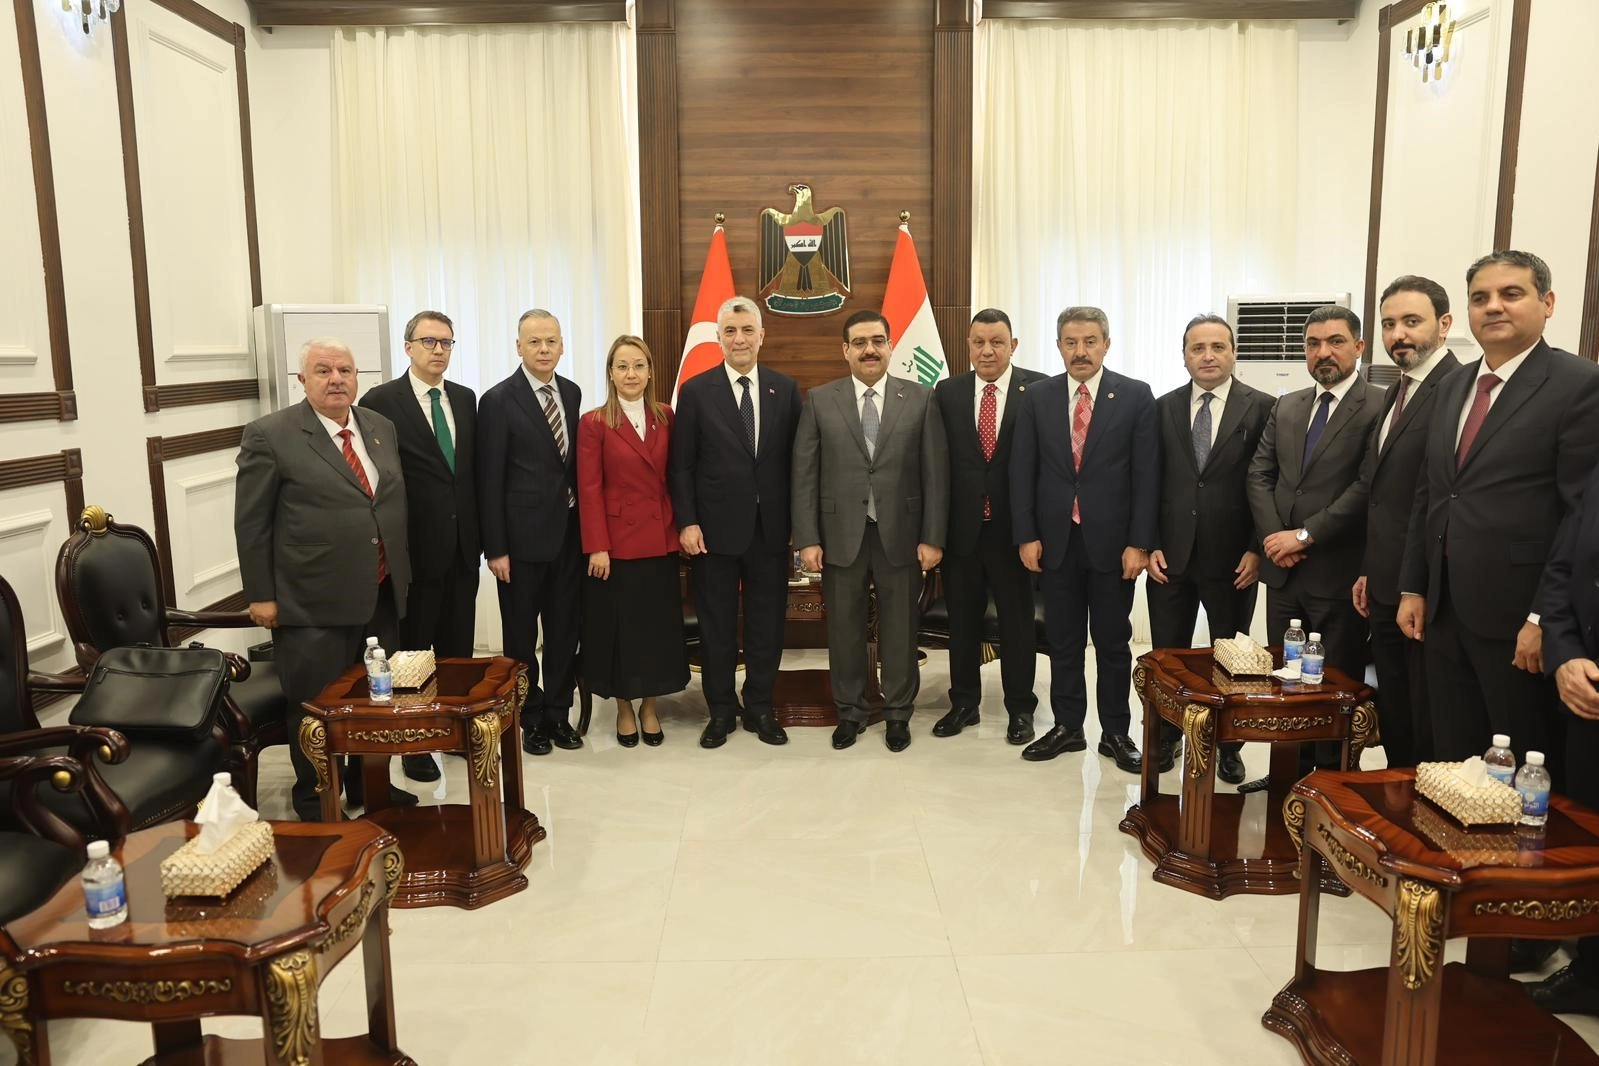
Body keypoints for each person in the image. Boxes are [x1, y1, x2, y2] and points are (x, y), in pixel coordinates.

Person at [1398, 250, 1599, 767]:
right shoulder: (1452, 385)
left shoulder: (1579, 384)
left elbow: (1580, 517)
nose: (1493, 307)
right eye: (1480, 298)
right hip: (1443, 612)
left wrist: (1543, 619)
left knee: (1519, 766)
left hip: (1518, 619)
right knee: (1452, 760)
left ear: (1547, 303)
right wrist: (1414, 585)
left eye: (1511, 294)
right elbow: (1431, 492)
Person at [234, 338, 417, 821]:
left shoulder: (379, 426)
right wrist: (261, 595)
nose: (336, 379)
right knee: (315, 706)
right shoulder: (270, 435)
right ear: (302, 380)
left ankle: (369, 786)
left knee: (376, 699)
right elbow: (252, 523)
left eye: (345, 370)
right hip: (311, 598)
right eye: (323, 370)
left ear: (358, 378)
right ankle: (316, 798)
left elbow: (383, 502)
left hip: (379, 591)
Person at [791, 309, 949, 752]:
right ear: (845, 350)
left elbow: (936, 474)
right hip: (840, 535)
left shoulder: (920, 398)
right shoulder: (820, 400)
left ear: (890, 346)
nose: (869, 349)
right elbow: (804, 475)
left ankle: (897, 713)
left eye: (878, 341)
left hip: (902, 534)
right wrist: (807, 538)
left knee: (900, 628)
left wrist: (933, 536)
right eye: (859, 342)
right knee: (844, 628)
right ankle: (850, 712)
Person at [1012, 306, 1158, 774]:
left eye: (1090, 341)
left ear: (1106, 345)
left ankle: (1115, 732)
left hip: (1114, 545)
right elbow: (1023, 470)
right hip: (1056, 541)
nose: (1081, 351)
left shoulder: (1135, 396)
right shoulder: (1038, 397)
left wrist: (1140, 543)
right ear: (1058, 346)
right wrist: (1026, 534)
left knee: (1113, 643)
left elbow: (1147, 476)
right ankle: (1068, 726)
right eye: (1071, 342)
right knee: (1064, 641)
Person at [1243, 305, 1380, 791]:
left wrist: (1303, 535)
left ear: (1359, 347)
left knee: (1332, 686)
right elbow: (1259, 474)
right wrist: (1275, 539)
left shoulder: (1379, 405)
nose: (1324, 352)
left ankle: (1331, 782)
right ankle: (1287, 773)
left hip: (1337, 572)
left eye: (1335, 341)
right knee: (1286, 678)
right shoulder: (1288, 405)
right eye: (1313, 343)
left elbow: (1366, 486)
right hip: (1283, 574)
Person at [1145, 313, 1274, 782]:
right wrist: (1149, 544)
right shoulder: (1162, 408)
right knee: (1169, 658)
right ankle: (1167, 737)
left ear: (1234, 353)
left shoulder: (1263, 407)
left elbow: (1269, 483)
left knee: (1232, 661)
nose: (1208, 356)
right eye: (1197, 348)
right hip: (1170, 559)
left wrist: (1257, 549)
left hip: (1233, 561)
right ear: (1184, 356)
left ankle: (1229, 745)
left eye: (1218, 346)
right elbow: (1148, 481)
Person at [669, 297, 802, 748]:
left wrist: (799, 527)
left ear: (762, 335)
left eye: (747, 330)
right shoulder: (696, 391)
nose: (739, 339)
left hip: (771, 532)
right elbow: (681, 466)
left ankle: (761, 707)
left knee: (767, 626)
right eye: (730, 331)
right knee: (717, 627)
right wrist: (687, 522)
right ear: (718, 338)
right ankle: (721, 710)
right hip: (713, 533)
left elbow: (798, 464)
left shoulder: (785, 389)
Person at [359, 310, 481, 783]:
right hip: (413, 551)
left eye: (447, 342)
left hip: (463, 547)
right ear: (408, 347)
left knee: (458, 649)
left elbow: (467, 475)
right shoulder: (380, 402)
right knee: (413, 652)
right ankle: (415, 743)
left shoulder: (465, 399)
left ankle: (454, 730)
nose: (439, 350)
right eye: (429, 341)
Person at [1349, 277, 1462, 769]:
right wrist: (1369, 568)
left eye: (1412, 322)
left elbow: (1438, 497)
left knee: (1426, 718)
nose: (1399, 334)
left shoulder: (1457, 388)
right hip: (1385, 581)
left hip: (1427, 591)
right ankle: (1396, 798)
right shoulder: (1396, 390)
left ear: (1444, 324)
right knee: (1395, 707)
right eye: (1389, 324)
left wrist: (1415, 584)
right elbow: (1384, 494)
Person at [930, 308, 1047, 744]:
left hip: (1014, 531)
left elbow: (1045, 466)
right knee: (962, 621)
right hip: (961, 531)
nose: (987, 350)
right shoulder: (947, 392)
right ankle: (964, 703)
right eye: (978, 342)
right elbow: (937, 465)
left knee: (1017, 623)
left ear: (1012, 345)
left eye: (997, 342)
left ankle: (1020, 708)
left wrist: (1035, 531)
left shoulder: (1038, 389)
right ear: (968, 345)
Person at [478, 309, 585, 756]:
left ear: (562, 346)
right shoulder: (498, 400)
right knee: (522, 639)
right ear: (518, 347)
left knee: (564, 633)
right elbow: (489, 479)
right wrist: (496, 548)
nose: (544, 349)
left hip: (569, 538)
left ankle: (559, 713)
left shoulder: (572, 393)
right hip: (519, 545)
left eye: (551, 341)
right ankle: (530, 717)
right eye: (535, 342)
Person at [576, 336, 690, 745]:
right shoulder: (594, 422)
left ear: (650, 371)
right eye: (622, 366)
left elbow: (676, 475)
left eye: (639, 365)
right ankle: (625, 707)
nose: (631, 374)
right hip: (616, 546)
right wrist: (597, 546)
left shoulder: (666, 415)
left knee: (656, 629)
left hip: (660, 539)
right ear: (610, 373)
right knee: (620, 632)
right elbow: (589, 488)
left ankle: (650, 706)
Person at [1526, 462, 1599, 1013]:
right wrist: (1566, 655)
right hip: (1585, 689)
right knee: (1588, 831)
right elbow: (1561, 568)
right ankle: (1591, 973)